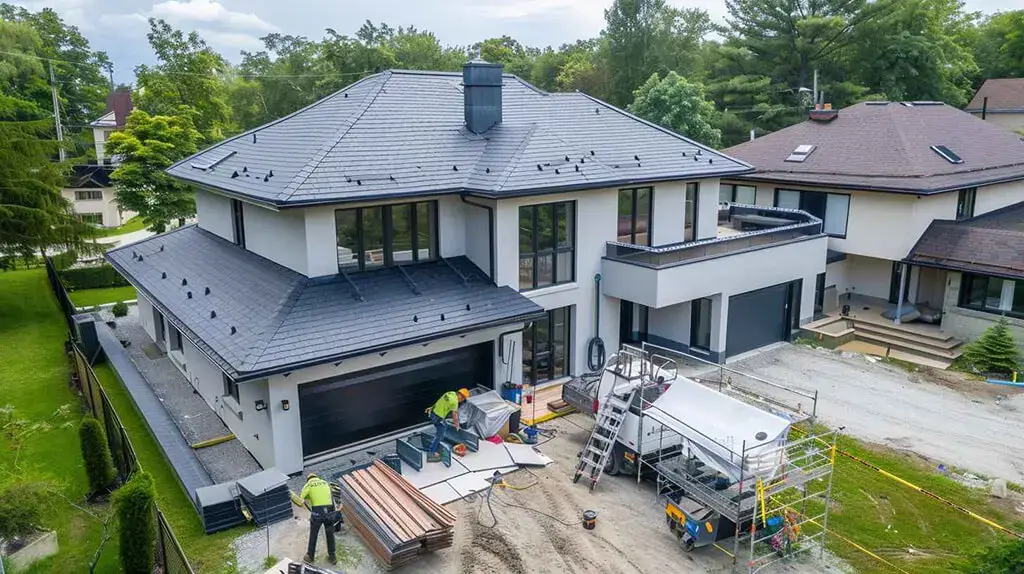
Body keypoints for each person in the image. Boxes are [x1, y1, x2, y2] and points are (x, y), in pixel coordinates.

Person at [301, 473, 336, 565]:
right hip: (329, 511)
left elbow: (301, 499)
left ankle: (310, 556)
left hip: (317, 513)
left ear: (308, 479)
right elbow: (332, 497)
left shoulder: (308, 485)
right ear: (317, 477)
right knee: (330, 533)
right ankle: (332, 556)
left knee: (314, 534)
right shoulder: (325, 483)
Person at [425, 388, 470, 456]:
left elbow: (439, 401)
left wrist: (431, 408)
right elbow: (454, 415)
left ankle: (439, 436)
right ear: (461, 396)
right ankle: (431, 452)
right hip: (438, 418)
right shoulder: (455, 402)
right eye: (463, 399)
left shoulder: (450, 393)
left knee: (445, 426)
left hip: (432, 413)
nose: (462, 400)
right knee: (440, 435)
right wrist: (457, 425)